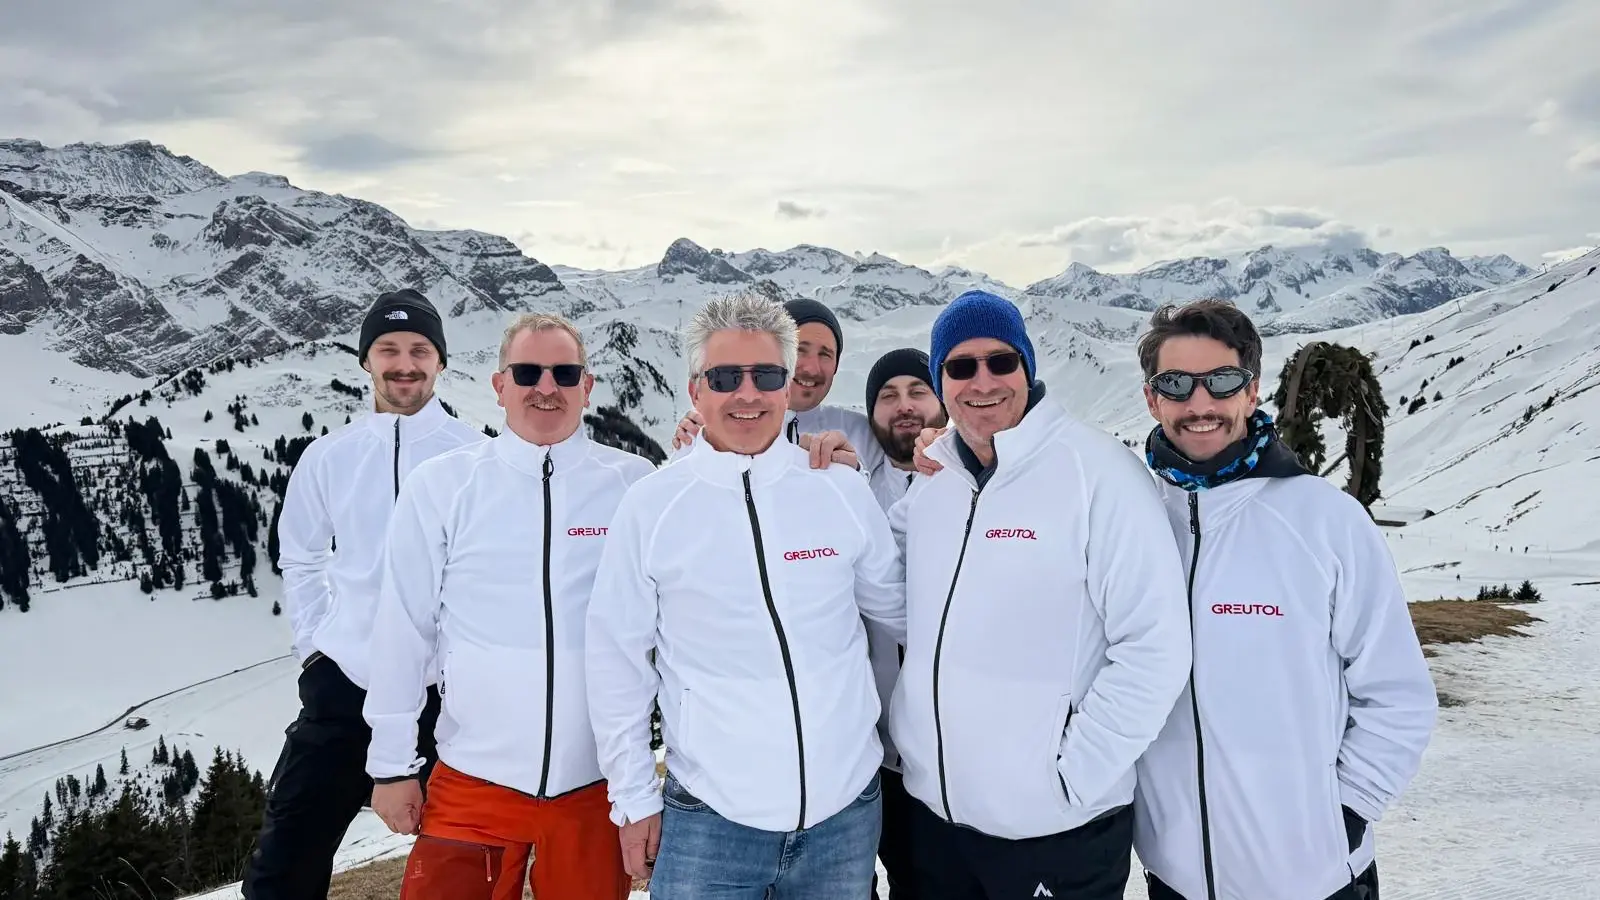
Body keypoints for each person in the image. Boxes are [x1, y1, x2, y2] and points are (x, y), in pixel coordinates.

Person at [585, 289, 906, 898]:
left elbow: (904, 611)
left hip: (844, 812)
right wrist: (630, 797)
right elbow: (615, 660)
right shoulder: (654, 506)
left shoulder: (838, 488)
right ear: (695, 390)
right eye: (726, 376)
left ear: (787, 388)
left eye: (765, 375)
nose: (748, 393)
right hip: (711, 818)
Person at [886, 289, 1192, 899]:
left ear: (1027, 368)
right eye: (960, 366)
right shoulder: (935, 481)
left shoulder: (1098, 473)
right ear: (940, 380)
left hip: (1055, 833)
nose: (983, 381)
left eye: (1002, 362)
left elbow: (1155, 648)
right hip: (933, 820)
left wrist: (1070, 780)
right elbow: (878, 576)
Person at [1129, 299, 1437, 900]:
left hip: (1312, 879)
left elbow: (1396, 694)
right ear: (1151, 398)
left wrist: (1342, 817)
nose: (1200, 404)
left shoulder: (1325, 521)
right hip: (1173, 877)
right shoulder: (1130, 521)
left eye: (1221, 381)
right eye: (1176, 384)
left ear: (1251, 391)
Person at [362, 312, 651, 900]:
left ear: (587, 387)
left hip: (594, 786)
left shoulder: (633, 486)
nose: (547, 387)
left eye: (565, 373)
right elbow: (403, 627)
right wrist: (391, 765)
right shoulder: (444, 486)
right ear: (500, 386)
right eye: (528, 372)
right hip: (473, 781)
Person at [243, 288, 485, 900]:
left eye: (420, 349)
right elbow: (300, 559)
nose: (404, 363)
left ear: (440, 361)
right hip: (346, 688)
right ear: (365, 360)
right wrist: (316, 653)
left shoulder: (475, 455)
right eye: (388, 349)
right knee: (284, 864)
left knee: (466, 863)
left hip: (446, 692)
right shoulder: (329, 457)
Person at [860, 347, 947, 899]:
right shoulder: (848, 483)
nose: (904, 407)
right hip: (866, 757)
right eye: (887, 397)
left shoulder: (981, 478)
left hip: (944, 756)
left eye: (917, 391)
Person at [669, 298, 882, 473]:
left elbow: (893, 510)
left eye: (825, 354)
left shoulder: (864, 434)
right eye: (800, 350)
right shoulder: (708, 432)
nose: (811, 368)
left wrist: (851, 474)